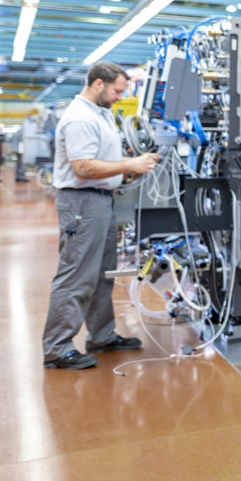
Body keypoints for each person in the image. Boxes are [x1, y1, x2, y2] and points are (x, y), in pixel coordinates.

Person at [42, 62, 161, 370]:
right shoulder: (80, 117)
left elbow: (103, 159)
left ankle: (102, 335)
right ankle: (57, 348)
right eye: (117, 90)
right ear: (98, 84)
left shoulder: (100, 114)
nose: (120, 97)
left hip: (101, 201)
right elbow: (83, 166)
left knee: (101, 274)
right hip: (82, 203)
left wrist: (132, 163)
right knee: (76, 275)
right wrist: (129, 165)